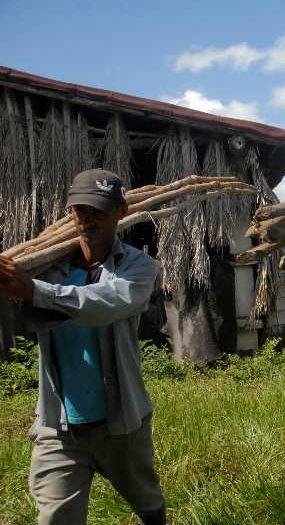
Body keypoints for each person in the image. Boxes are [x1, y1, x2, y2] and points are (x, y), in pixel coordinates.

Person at [0, 169, 166, 524]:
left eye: (99, 212)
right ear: (70, 213)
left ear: (121, 212)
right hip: (59, 426)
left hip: (121, 421)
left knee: (147, 502)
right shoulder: (46, 267)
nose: (89, 220)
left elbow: (107, 303)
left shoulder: (138, 267)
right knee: (55, 517)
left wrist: (35, 291)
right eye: (81, 211)